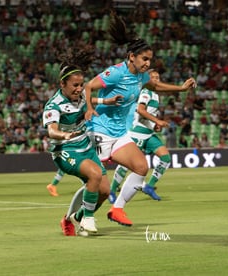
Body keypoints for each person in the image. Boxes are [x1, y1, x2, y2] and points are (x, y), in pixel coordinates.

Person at [82, 11, 196, 227]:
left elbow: (157, 85)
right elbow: (88, 86)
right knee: (100, 187)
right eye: (145, 59)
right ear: (131, 57)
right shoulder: (115, 73)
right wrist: (89, 107)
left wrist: (181, 88)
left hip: (119, 134)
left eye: (150, 59)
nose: (147, 63)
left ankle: (117, 210)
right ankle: (76, 217)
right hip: (99, 132)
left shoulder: (141, 76)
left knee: (141, 167)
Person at [42, 46, 120, 237]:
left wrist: (107, 102)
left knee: (104, 190)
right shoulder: (54, 105)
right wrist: (63, 135)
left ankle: (74, 217)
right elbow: (51, 130)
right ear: (62, 84)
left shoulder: (80, 97)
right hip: (65, 150)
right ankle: (87, 223)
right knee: (94, 174)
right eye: (75, 85)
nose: (79, 89)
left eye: (81, 85)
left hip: (86, 147)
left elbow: (89, 100)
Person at [109, 70, 172, 203]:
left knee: (165, 157)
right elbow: (140, 110)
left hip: (149, 134)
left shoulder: (155, 95)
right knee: (126, 165)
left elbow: (146, 115)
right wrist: (157, 121)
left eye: (157, 77)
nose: (155, 80)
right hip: (137, 134)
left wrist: (155, 125)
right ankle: (112, 191)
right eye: (152, 77)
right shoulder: (146, 92)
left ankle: (149, 186)